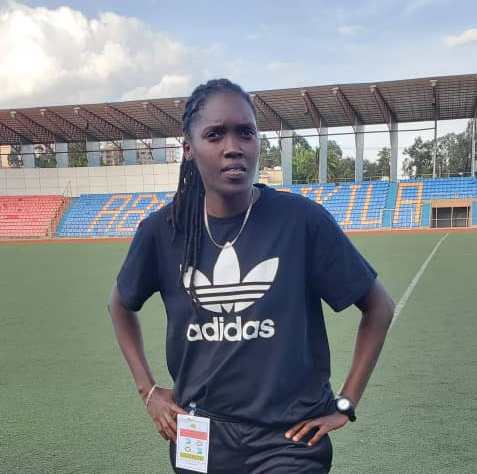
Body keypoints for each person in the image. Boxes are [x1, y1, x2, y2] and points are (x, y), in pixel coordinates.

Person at [108, 78, 395, 473]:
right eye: (215, 135)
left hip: (288, 440)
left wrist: (346, 402)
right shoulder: (163, 231)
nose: (233, 147)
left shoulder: (300, 221)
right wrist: (149, 390)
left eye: (245, 132)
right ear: (188, 149)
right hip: (200, 435)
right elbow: (120, 304)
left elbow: (378, 306)